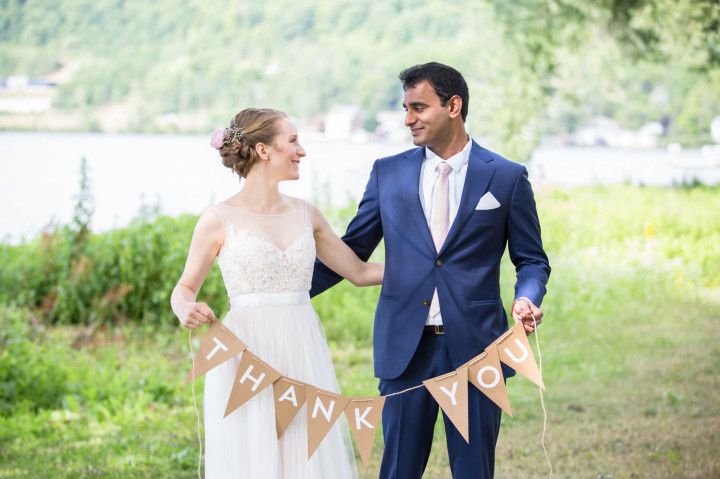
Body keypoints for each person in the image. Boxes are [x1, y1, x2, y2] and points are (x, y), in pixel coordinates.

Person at [310, 62, 551, 478]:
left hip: (479, 351)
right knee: (398, 469)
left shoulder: (507, 177)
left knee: (475, 471)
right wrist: (281, 292)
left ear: (453, 105)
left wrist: (526, 297)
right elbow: (351, 250)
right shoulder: (388, 173)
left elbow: (531, 259)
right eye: (406, 109)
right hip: (405, 350)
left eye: (418, 108)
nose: (408, 120)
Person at [170, 108, 382, 479]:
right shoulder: (218, 219)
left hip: (301, 347)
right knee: (253, 455)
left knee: (305, 449)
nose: (302, 151)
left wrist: (432, 271)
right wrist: (185, 307)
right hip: (245, 356)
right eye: (294, 141)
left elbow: (361, 272)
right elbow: (184, 289)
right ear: (264, 150)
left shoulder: (307, 214)